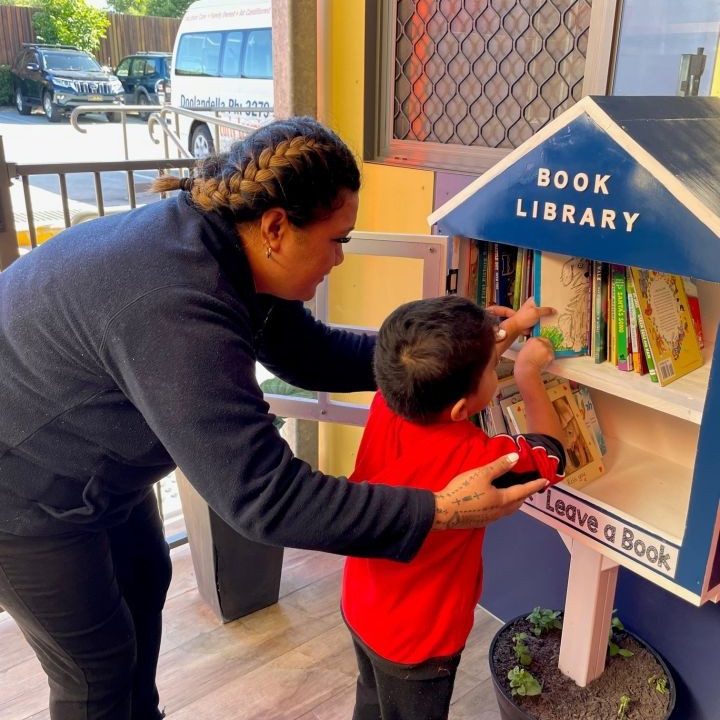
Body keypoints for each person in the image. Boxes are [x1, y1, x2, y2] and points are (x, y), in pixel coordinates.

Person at [0, 117, 552, 720]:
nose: (340, 259)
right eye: (339, 239)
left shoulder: (226, 249)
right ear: (276, 228)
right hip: (22, 492)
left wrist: (454, 355)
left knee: (143, 582)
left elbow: (308, 354)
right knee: (93, 669)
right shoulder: (177, 306)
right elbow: (266, 497)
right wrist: (439, 510)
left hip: (94, 467)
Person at [342, 295, 566, 720]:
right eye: (491, 365)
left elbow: (450, 372)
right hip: (419, 642)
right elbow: (551, 453)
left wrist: (514, 327)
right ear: (463, 408)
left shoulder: (390, 399)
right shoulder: (482, 461)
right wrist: (527, 372)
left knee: (371, 698)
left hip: (361, 601)